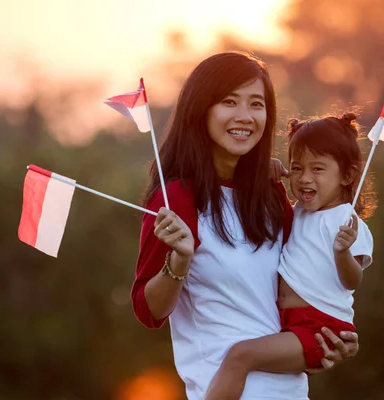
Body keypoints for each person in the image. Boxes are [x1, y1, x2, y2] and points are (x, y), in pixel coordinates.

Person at [130, 51, 360, 400]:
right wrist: (178, 264)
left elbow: (296, 286)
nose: (244, 116)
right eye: (229, 102)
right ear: (201, 109)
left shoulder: (269, 195)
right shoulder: (177, 197)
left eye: (256, 104)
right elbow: (149, 310)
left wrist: (329, 338)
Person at [204, 113, 376, 400]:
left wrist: (343, 252)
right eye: (297, 168)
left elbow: (351, 280)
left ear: (347, 175)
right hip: (289, 323)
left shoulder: (346, 221)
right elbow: (273, 185)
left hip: (322, 328)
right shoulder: (297, 212)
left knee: (240, 356)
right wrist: (267, 168)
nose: (305, 178)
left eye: (318, 169)